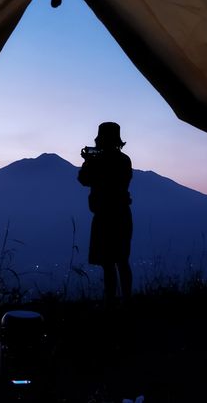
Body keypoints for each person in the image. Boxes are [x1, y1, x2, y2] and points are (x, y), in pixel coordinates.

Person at [77, 122, 133, 301]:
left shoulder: (99, 161)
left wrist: (88, 161)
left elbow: (84, 180)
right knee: (121, 261)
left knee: (108, 263)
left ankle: (110, 302)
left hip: (104, 216)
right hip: (122, 215)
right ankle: (126, 301)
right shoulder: (124, 160)